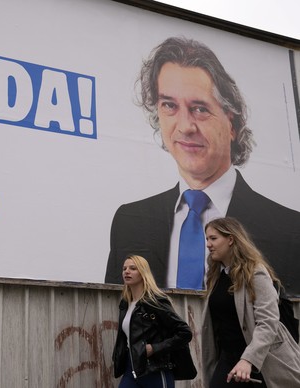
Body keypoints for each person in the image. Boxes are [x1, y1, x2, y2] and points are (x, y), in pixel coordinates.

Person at [105, 36, 300, 294]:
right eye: (169, 105)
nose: (185, 126)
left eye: (199, 109)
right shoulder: (129, 221)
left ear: (232, 123)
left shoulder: (288, 229)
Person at [201, 217, 300, 387]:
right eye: (207, 239)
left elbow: (268, 322)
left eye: (213, 238)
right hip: (227, 360)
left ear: (231, 239)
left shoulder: (255, 273)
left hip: (258, 362)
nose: (208, 244)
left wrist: (248, 359)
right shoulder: (216, 275)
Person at [112, 254, 195, 387]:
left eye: (133, 268)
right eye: (124, 268)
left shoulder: (155, 302)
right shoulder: (125, 303)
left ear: (143, 273)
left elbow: (185, 333)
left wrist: (154, 348)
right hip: (131, 367)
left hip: (155, 369)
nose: (127, 271)